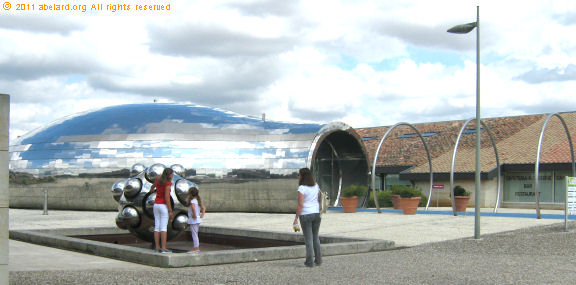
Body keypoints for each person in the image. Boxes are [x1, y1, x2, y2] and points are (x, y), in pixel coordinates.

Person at [293, 167, 322, 267]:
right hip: (316, 214)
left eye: (299, 174)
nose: (298, 176)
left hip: (305, 215)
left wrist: (296, 218)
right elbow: (319, 199)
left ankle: (309, 262)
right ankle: (318, 260)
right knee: (315, 238)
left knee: (308, 239)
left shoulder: (302, 188)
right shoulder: (316, 186)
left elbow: (300, 205)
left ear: (302, 176)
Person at [150, 168, 174, 253]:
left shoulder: (157, 180)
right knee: (163, 227)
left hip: (156, 205)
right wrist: (170, 211)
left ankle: (157, 247)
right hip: (163, 206)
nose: (173, 175)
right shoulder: (168, 184)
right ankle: (163, 248)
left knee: (157, 227)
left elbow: (152, 187)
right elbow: (167, 198)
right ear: (169, 175)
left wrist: (152, 191)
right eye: (172, 174)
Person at [186, 186, 206, 254]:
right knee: (195, 233)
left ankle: (196, 248)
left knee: (194, 234)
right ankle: (196, 247)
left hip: (193, 219)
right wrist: (202, 214)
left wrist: (194, 214)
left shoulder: (192, 201)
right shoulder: (197, 201)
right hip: (197, 219)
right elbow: (203, 208)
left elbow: (193, 208)